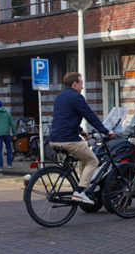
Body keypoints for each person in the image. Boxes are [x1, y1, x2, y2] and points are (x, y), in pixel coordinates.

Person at [49, 72, 114, 205]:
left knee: (84, 154)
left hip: (54, 138)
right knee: (93, 161)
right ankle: (79, 191)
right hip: (67, 139)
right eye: (81, 85)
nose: (82, 88)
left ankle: (83, 185)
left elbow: (64, 118)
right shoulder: (76, 97)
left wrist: (80, 130)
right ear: (75, 84)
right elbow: (90, 115)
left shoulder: (60, 96)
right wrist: (106, 131)